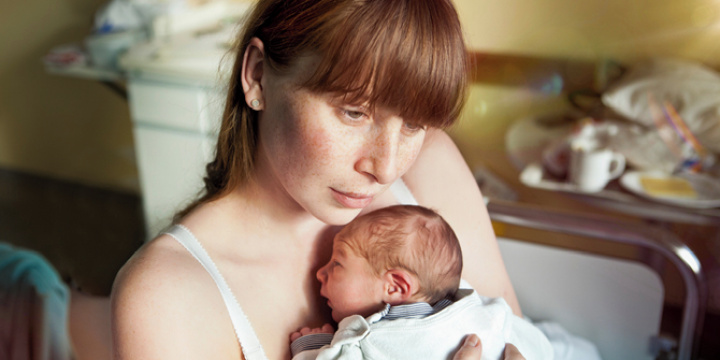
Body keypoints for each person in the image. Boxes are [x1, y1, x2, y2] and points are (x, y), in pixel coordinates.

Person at [111, 0, 525, 359]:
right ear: (257, 75)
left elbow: (517, 334)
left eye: (413, 123)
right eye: (354, 112)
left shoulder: (428, 166)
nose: (385, 168)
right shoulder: (170, 296)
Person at [289, 205, 552, 360]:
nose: (320, 273)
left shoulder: (375, 342)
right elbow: (535, 344)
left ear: (395, 287)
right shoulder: (487, 311)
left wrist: (313, 347)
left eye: (337, 264)